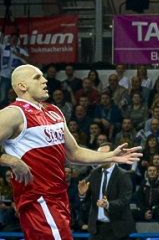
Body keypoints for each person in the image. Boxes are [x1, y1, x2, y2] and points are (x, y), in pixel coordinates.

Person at [0, 64, 141, 239]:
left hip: (59, 196)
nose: (44, 80)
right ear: (22, 86)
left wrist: (111, 156)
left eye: (43, 77)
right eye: (37, 77)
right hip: (38, 197)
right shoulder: (14, 113)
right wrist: (12, 161)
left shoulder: (54, 111)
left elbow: (74, 152)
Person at [77, 142, 137, 240]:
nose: (100, 158)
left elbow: (124, 200)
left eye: (104, 155)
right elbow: (83, 198)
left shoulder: (123, 175)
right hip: (96, 229)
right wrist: (82, 194)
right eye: (99, 155)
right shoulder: (94, 173)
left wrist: (108, 204)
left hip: (117, 229)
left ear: (113, 155)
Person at [132, 164, 159, 232]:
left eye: (154, 170)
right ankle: (133, 237)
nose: (152, 172)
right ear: (147, 173)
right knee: (131, 213)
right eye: (150, 170)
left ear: (157, 172)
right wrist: (145, 211)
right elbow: (139, 201)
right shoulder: (143, 184)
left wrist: (152, 211)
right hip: (144, 211)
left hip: (156, 211)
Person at [0, 32, 29, 103]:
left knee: (16, 96)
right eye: (12, 38)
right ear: (9, 39)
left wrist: (20, 55)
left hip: (16, 78)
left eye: (16, 38)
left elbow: (29, 60)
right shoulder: (3, 47)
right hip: (5, 76)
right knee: (3, 96)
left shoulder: (20, 50)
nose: (14, 40)